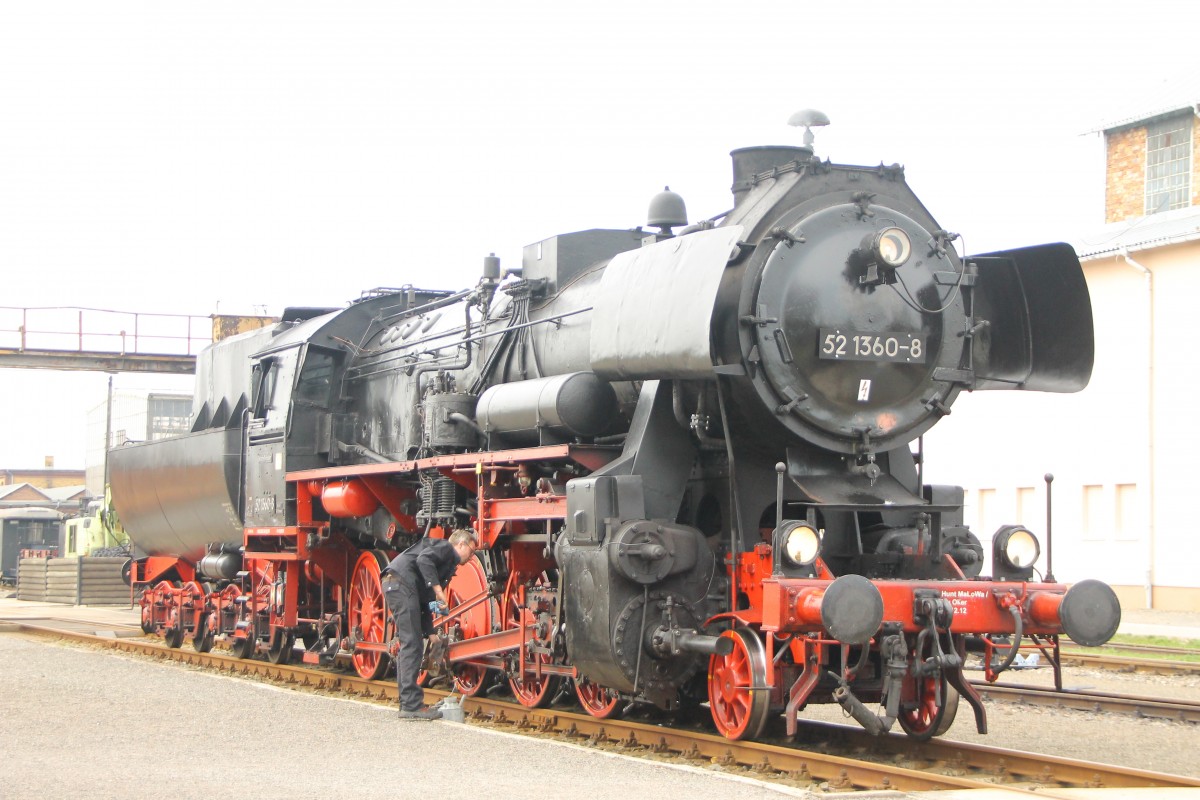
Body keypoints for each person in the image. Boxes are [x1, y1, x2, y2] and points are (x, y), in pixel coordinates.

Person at [382, 529, 478, 720]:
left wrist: (431, 632)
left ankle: (408, 704)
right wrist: (438, 591)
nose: (472, 556)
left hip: (399, 585)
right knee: (412, 644)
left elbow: (423, 600)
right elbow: (423, 560)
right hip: (401, 584)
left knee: (411, 643)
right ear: (460, 544)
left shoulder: (444, 563)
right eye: (472, 551)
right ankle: (410, 706)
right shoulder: (445, 548)